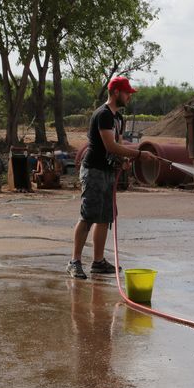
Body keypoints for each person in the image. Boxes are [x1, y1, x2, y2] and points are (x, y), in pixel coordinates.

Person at [67, 76, 156, 279]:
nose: (129, 97)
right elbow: (110, 145)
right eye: (127, 93)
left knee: (105, 218)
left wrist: (122, 162)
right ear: (116, 92)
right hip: (94, 171)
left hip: (107, 172)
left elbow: (119, 145)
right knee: (88, 217)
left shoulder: (118, 118)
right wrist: (139, 154)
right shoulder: (103, 115)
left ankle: (98, 262)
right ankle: (74, 261)